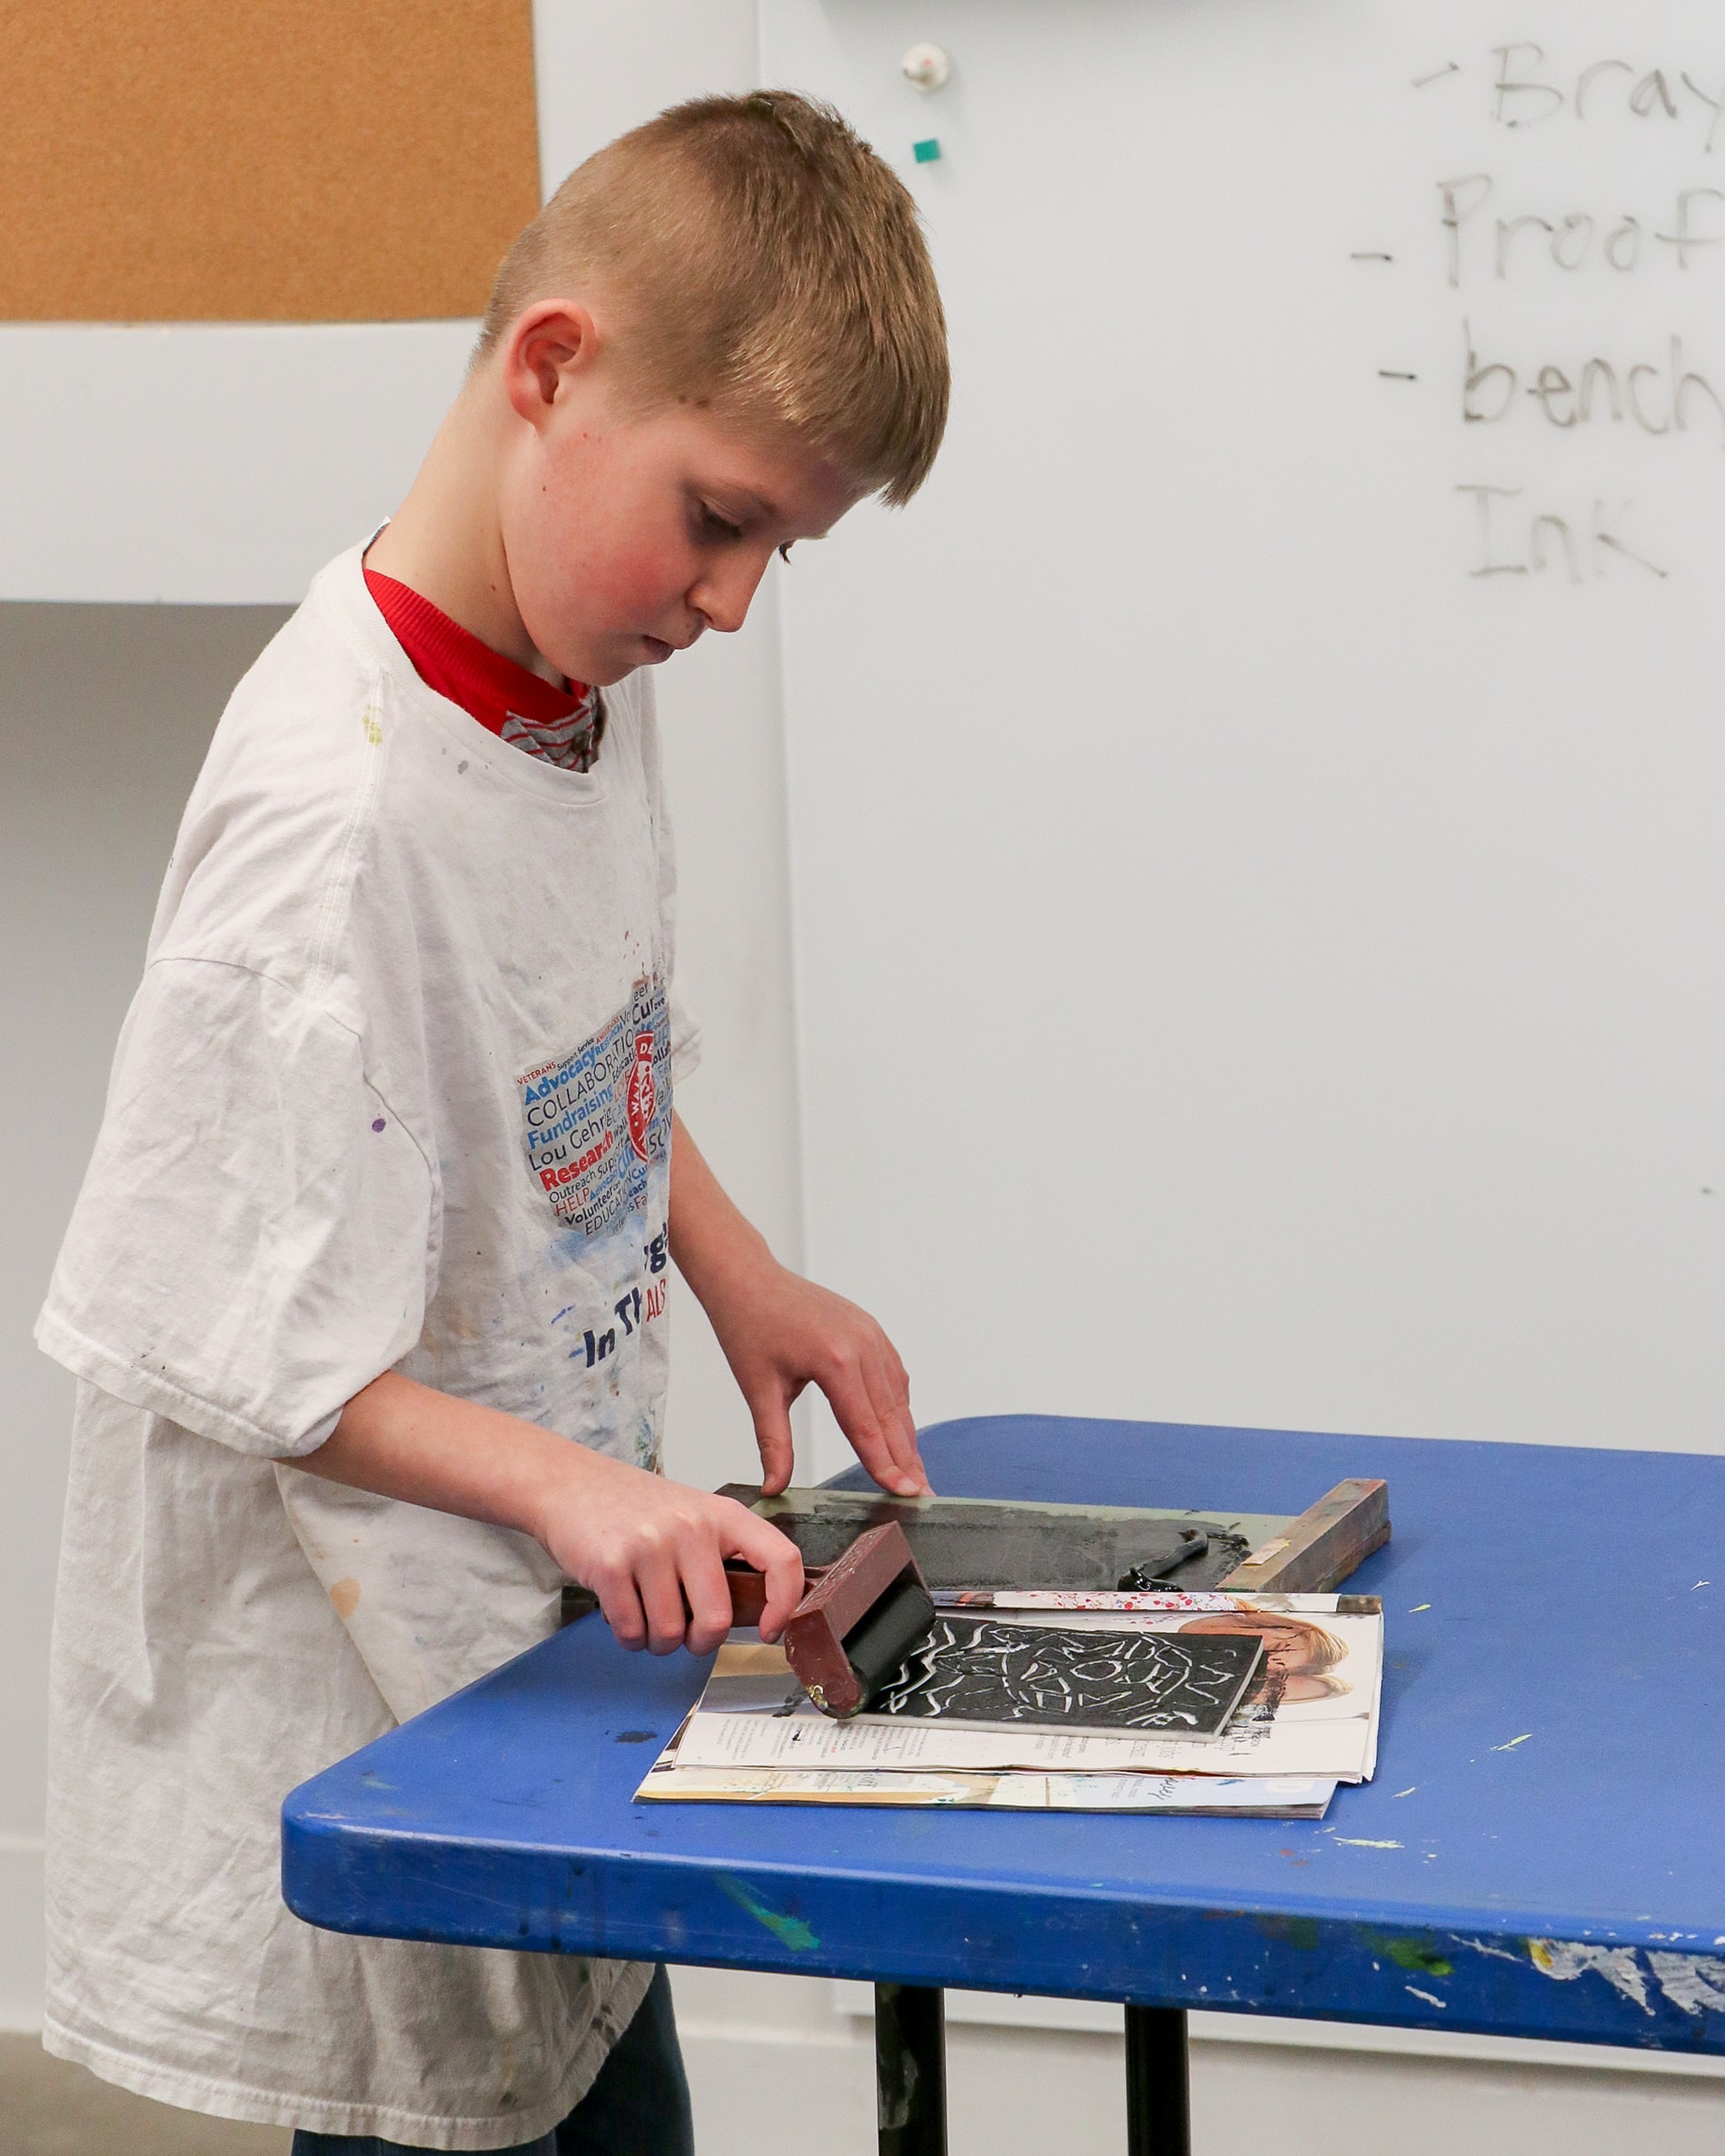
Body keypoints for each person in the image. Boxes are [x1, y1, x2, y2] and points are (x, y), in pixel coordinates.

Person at [35, 92, 948, 2155]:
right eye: (717, 518)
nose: (728, 603)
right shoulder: (332, 823)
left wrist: (739, 1267)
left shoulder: (560, 682)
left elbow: (577, 1044)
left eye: (775, 550)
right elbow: (220, 1337)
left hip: (515, 1676)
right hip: (364, 1728)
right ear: (551, 369)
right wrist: (571, 1488)